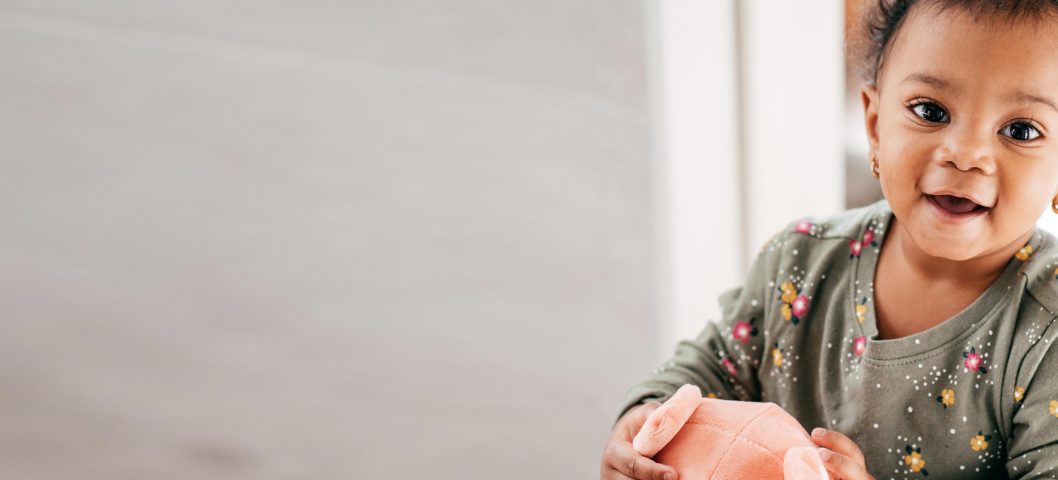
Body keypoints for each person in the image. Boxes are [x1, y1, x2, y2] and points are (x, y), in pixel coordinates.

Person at [600, 1, 1058, 479]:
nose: (966, 154)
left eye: (1020, 130)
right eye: (931, 110)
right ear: (875, 125)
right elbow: (712, 369)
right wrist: (648, 419)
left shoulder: (1047, 335)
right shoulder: (800, 261)